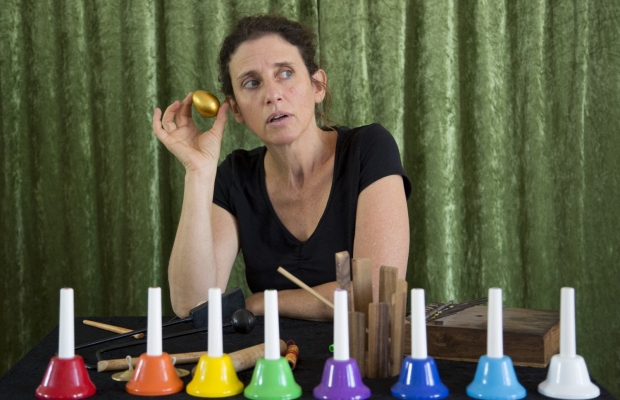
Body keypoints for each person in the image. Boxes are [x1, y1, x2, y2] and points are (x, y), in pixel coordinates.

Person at [152, 14, 411, 321]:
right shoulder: (236, 176)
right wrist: (198, 173)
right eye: (251, 83)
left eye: (285, 73)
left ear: (317, 86)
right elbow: (192, 304)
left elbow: (377, 295)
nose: (272, 95)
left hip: (355, 351)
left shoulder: (368, 149)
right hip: (270, 352)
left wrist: (262, 303)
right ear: (235, 109)